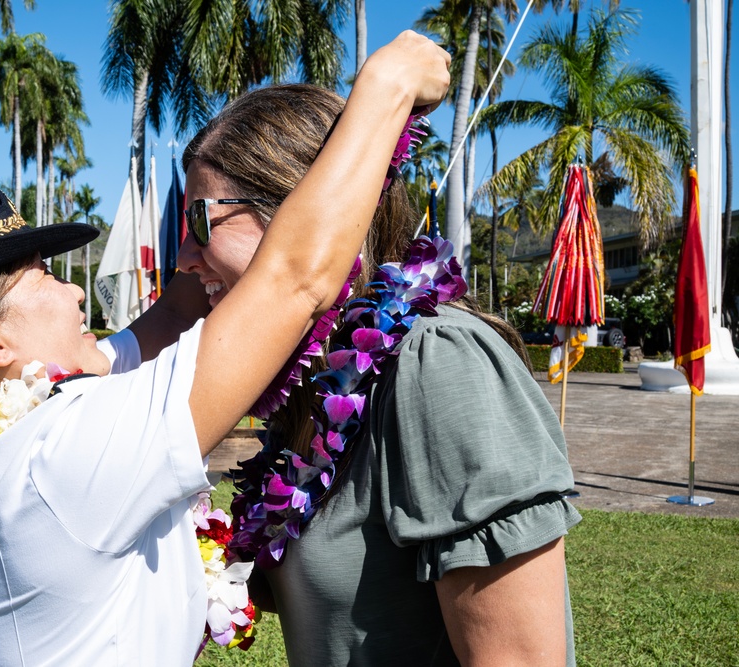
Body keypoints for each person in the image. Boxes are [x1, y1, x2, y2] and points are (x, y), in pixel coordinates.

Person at [0, 31, 451, 666]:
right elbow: (294, 281)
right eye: (40, 274)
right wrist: (386, 87)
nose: (71, 289)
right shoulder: (64, 460)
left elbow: (174, 313)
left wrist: (215, 222)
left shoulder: (19, 427)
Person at [176, 83, 581, 665]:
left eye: (200, 220)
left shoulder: (439, 360)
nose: (185, 257)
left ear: (306, 218)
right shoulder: (313, 383)